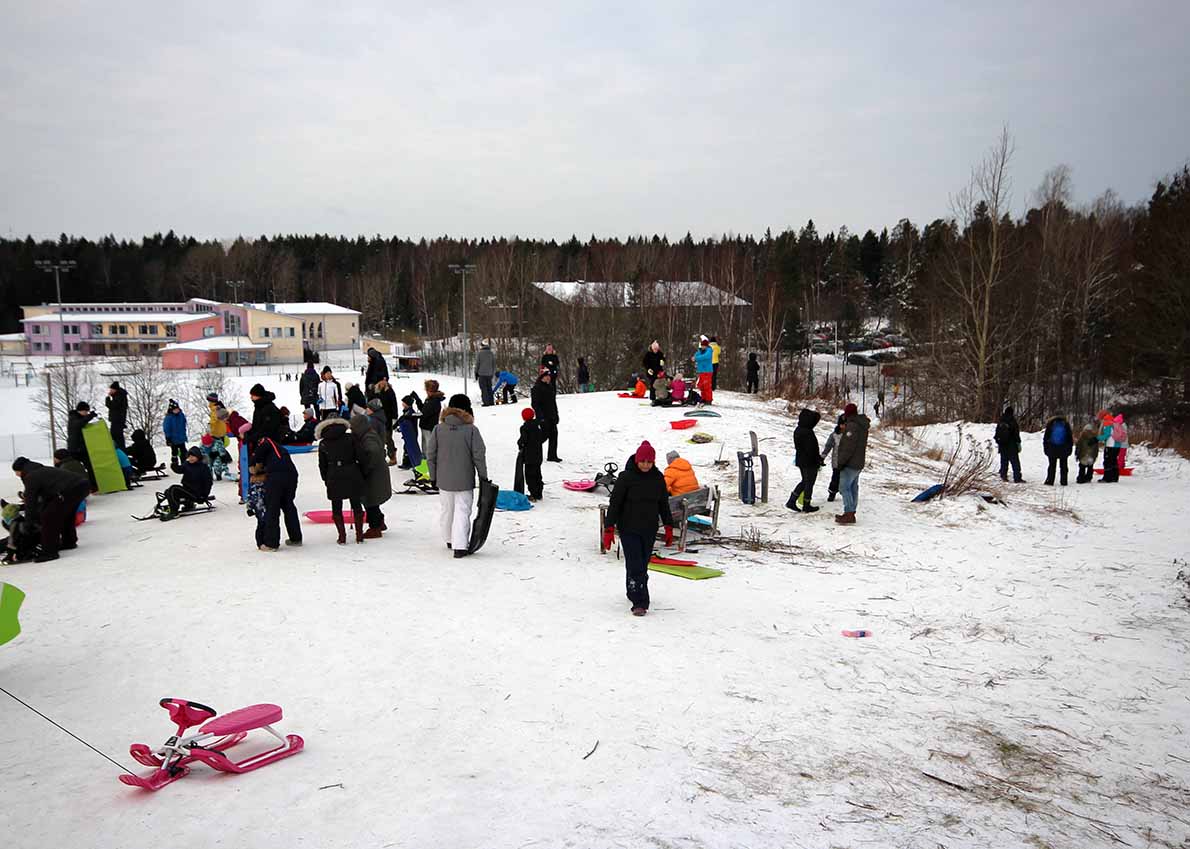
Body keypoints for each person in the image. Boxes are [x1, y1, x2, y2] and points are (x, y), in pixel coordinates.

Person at [602, 441, 675, 617]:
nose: (645, 465)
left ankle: (633, 588)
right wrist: (609, 528)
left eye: (649, 462)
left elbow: (663, 504)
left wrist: (668, 525)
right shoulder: (626, 478)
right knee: (636, 565)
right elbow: (615, 504)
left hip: (649, 529)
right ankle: (640, 601)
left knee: (641, 564)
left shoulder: (657, 478)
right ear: (637, 460)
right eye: (642, 461)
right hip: (628, 528)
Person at [427, 394, 488, 558]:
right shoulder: (472, 430)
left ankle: (448, 538)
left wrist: (433, 477)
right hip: (464, 479)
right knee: (462, 510)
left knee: (447, 509)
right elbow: (479, 455)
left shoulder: (438, 429)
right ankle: (460, 546)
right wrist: (483, 476)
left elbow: (430, 454)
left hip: (444, 479)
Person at [10, 456, 90, 562]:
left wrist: (29, 522)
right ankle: (69, 542)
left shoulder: (31, 476)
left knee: (48, 518)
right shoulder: (41, 470)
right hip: (82, 485)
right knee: (66, 514)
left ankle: (49, 552)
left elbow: (31, 502)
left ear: (20, 469)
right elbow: (47, 496)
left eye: (16, 472)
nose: (17, 475)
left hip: (70, 489)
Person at [315, 416, 365, 544]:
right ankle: (359, 535)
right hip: (352, 471)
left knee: (336, 506)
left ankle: (342, 537)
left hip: (334, 474)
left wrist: (325, 479)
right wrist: (361, 472)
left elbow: (322, 464)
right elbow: (361, 455)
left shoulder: (324, 443)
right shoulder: (351, 438)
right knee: (356, 504)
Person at [252, 434, 302, 551]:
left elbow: (255, 464)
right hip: (291, 475)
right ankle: (296, 538)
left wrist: (255, 471)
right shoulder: (280, 448)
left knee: (272, 508)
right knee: (288, 505)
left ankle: (271, 543)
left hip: (275, 478)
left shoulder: (262, 445)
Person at [351, 411, 392, 539]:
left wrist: (366, 467)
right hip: (377, 472)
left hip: (374, 473)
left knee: (370, 500)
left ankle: (375, 528)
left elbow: (373, 452)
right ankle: (379, 522)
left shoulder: (368, 437)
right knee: (372, 499)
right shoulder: (368, 434)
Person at [835, 403, 870, 525]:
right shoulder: (861, 425)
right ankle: (852, 512)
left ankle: (848, 513)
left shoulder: (852, 427)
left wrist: (841, 462)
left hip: (850, 463)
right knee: (853, 487)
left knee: (844, 487)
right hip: (858, 462)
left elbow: (848, 447)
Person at [161, 447, 214, 518]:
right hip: (188, 489)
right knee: (168, 492)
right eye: (189, 456)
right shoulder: (187, 464)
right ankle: (188, 504)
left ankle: (174, 512)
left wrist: (204, 495)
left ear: (198, 456)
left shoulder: (203, 467)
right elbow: (179, 470)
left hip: (197, 493)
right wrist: (174, 464)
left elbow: (208, 482)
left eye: (193, 456)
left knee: (174, 489)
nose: (191, 458)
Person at [787, 408, 822, 513]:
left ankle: (792, 501)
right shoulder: (807, 432)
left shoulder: (799, 429)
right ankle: (806, 504)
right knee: (809, 483)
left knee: (805, 482)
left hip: (802, 460)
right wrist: (818, 460)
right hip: (809, 462)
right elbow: (811, 450)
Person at [515, 407, 547, 501]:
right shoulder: (538, 426)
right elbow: (543, 437)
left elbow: (523, 440)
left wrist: (519, 443)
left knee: (530, 476)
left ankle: (534, 494)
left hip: (529, 457)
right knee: (537, 474)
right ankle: (539, 492)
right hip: (538, 455)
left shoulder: (525, 427)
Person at [531, 370, 562, 462]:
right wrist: (540, 417)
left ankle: (552, 456)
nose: (548, 378)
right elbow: (535, 404)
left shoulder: (550, 387)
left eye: (549, 376)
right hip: (543, 416)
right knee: (544, 435)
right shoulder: (537, 388)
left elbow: (553, 402)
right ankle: (532, 449)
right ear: (542, 377)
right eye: (546, 376)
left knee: (554, 435)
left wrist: (556, 415)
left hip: (552, 415)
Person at [368, 375, 400, 464]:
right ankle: (380, 457)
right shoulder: (375, 391)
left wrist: (394, 417)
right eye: (379, 381)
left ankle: (392, 455)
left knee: (387, 438)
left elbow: (394, 404)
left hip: (387, 418)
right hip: (376, 418)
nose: (381, 383)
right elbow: (370, 401)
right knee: (378, 438)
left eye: (383, 381)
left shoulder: (389, 391)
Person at [247, 384, 284, 449]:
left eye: (253, 395)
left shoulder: (269, 408)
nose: (251, 397)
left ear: (259, 395)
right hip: (261, 440)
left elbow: (267, 429)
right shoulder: (258, 406)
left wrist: (251, 437)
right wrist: (248, 434)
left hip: (270, 442)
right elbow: (256, 425)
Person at [994, 406, 1024, 483]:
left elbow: (997, 434)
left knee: (1004, 461)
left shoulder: (1001, 421)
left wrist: (999, 442)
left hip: (1002, 445)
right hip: (1012, 445)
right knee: (1015, 462)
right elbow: (1016, 434)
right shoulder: (1012, 421)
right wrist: (1018, 443)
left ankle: (1003, 476)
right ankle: (1017, 478)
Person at [1042, 414, 1074, 486]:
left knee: (1052, 465)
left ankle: (1050, 480)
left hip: (1052, 448)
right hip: (1064, 448)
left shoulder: (1051, 424)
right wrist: (1069, 448)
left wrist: (1046, 448)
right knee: (1064, 466)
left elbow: (1046, 437)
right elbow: (1069, 438)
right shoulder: (1066, 424)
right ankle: (1064, 481)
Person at [419, 380, 446, 458]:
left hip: (429, 427)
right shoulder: (429, 399)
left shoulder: (435, 401)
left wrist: (417, 415)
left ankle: (430, 463)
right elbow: (424, 409)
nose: (426, 392)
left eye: (427, 390)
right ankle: (425, 463)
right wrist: (418, 401)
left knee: (429, 446)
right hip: (424, 426)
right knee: (424, 446)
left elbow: (425, 413)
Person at [821, 415, 844, 501]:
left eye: (845, 424)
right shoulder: (834, 435)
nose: (844, 426)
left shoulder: (850, 435)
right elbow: (828, 446)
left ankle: (846, 493)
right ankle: (832, 493)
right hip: (837, 461)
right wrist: (822, 457)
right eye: (842, 424)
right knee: (835, 478)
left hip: (848, 461)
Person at [396, 394, 422, 469]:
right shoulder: (407, 411)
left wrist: (399, 426)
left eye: (404, 402)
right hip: (410, 433)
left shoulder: (410, 412)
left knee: (409, 448)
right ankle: (409, 462)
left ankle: (408, 463)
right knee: (406, 447)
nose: (402, 404)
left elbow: (404, 420)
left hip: (412, 433)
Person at [162, 399, 188, 472]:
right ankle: (175, 463)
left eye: (177, 409)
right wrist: (168, 438)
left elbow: (184, 424)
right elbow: (166, 428)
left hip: (181, 437)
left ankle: (184, 463)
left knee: (183, 451)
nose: (177, 411)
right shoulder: (169, 418)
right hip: (173, 438)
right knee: (174, 451)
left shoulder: (181, 415)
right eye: (175, 410)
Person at [1097, 410, 1122, 483]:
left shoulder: (1107, 422)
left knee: (1107, 462)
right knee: (1114, 461)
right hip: (1117, 445)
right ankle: (1115, 477)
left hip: (1111, 445)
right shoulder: (1113, 421)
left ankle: (1107, 478)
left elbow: (1107, 435)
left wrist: (1097, 438)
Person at [105, 381, 129, 450]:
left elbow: (112, 405)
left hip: (117, 420)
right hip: (119, 420)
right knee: (118, 437)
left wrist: (108, 398)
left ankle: (119, 450)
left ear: (115, 389)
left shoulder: (119, 396)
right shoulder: (120, 395)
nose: (110, 391)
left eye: (111, 390)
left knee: (116, 437)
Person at [475, 340, 497, 407]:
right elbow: (494, 364)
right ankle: (491, 402)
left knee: (483, 388)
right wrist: (492, 373)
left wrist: (476, 373)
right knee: (489, 388)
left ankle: (486, 402)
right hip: (489, 374)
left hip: (482, 374)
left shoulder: (480, 353)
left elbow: (477, 364)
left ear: (482, 346)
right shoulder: (491, 353)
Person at [694, 336, 714, 405]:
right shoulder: (700, 351)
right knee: (701, 386)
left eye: (704, 346)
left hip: (707, 371)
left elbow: (705, 357)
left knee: (707, 386)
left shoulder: (709, 351)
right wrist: (695, 357)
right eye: (702, 346)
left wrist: (696, 358)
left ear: (706, 346)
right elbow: (695, 356)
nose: (702, 347)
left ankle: (708, 399)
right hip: (701, 371)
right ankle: (703, 398)